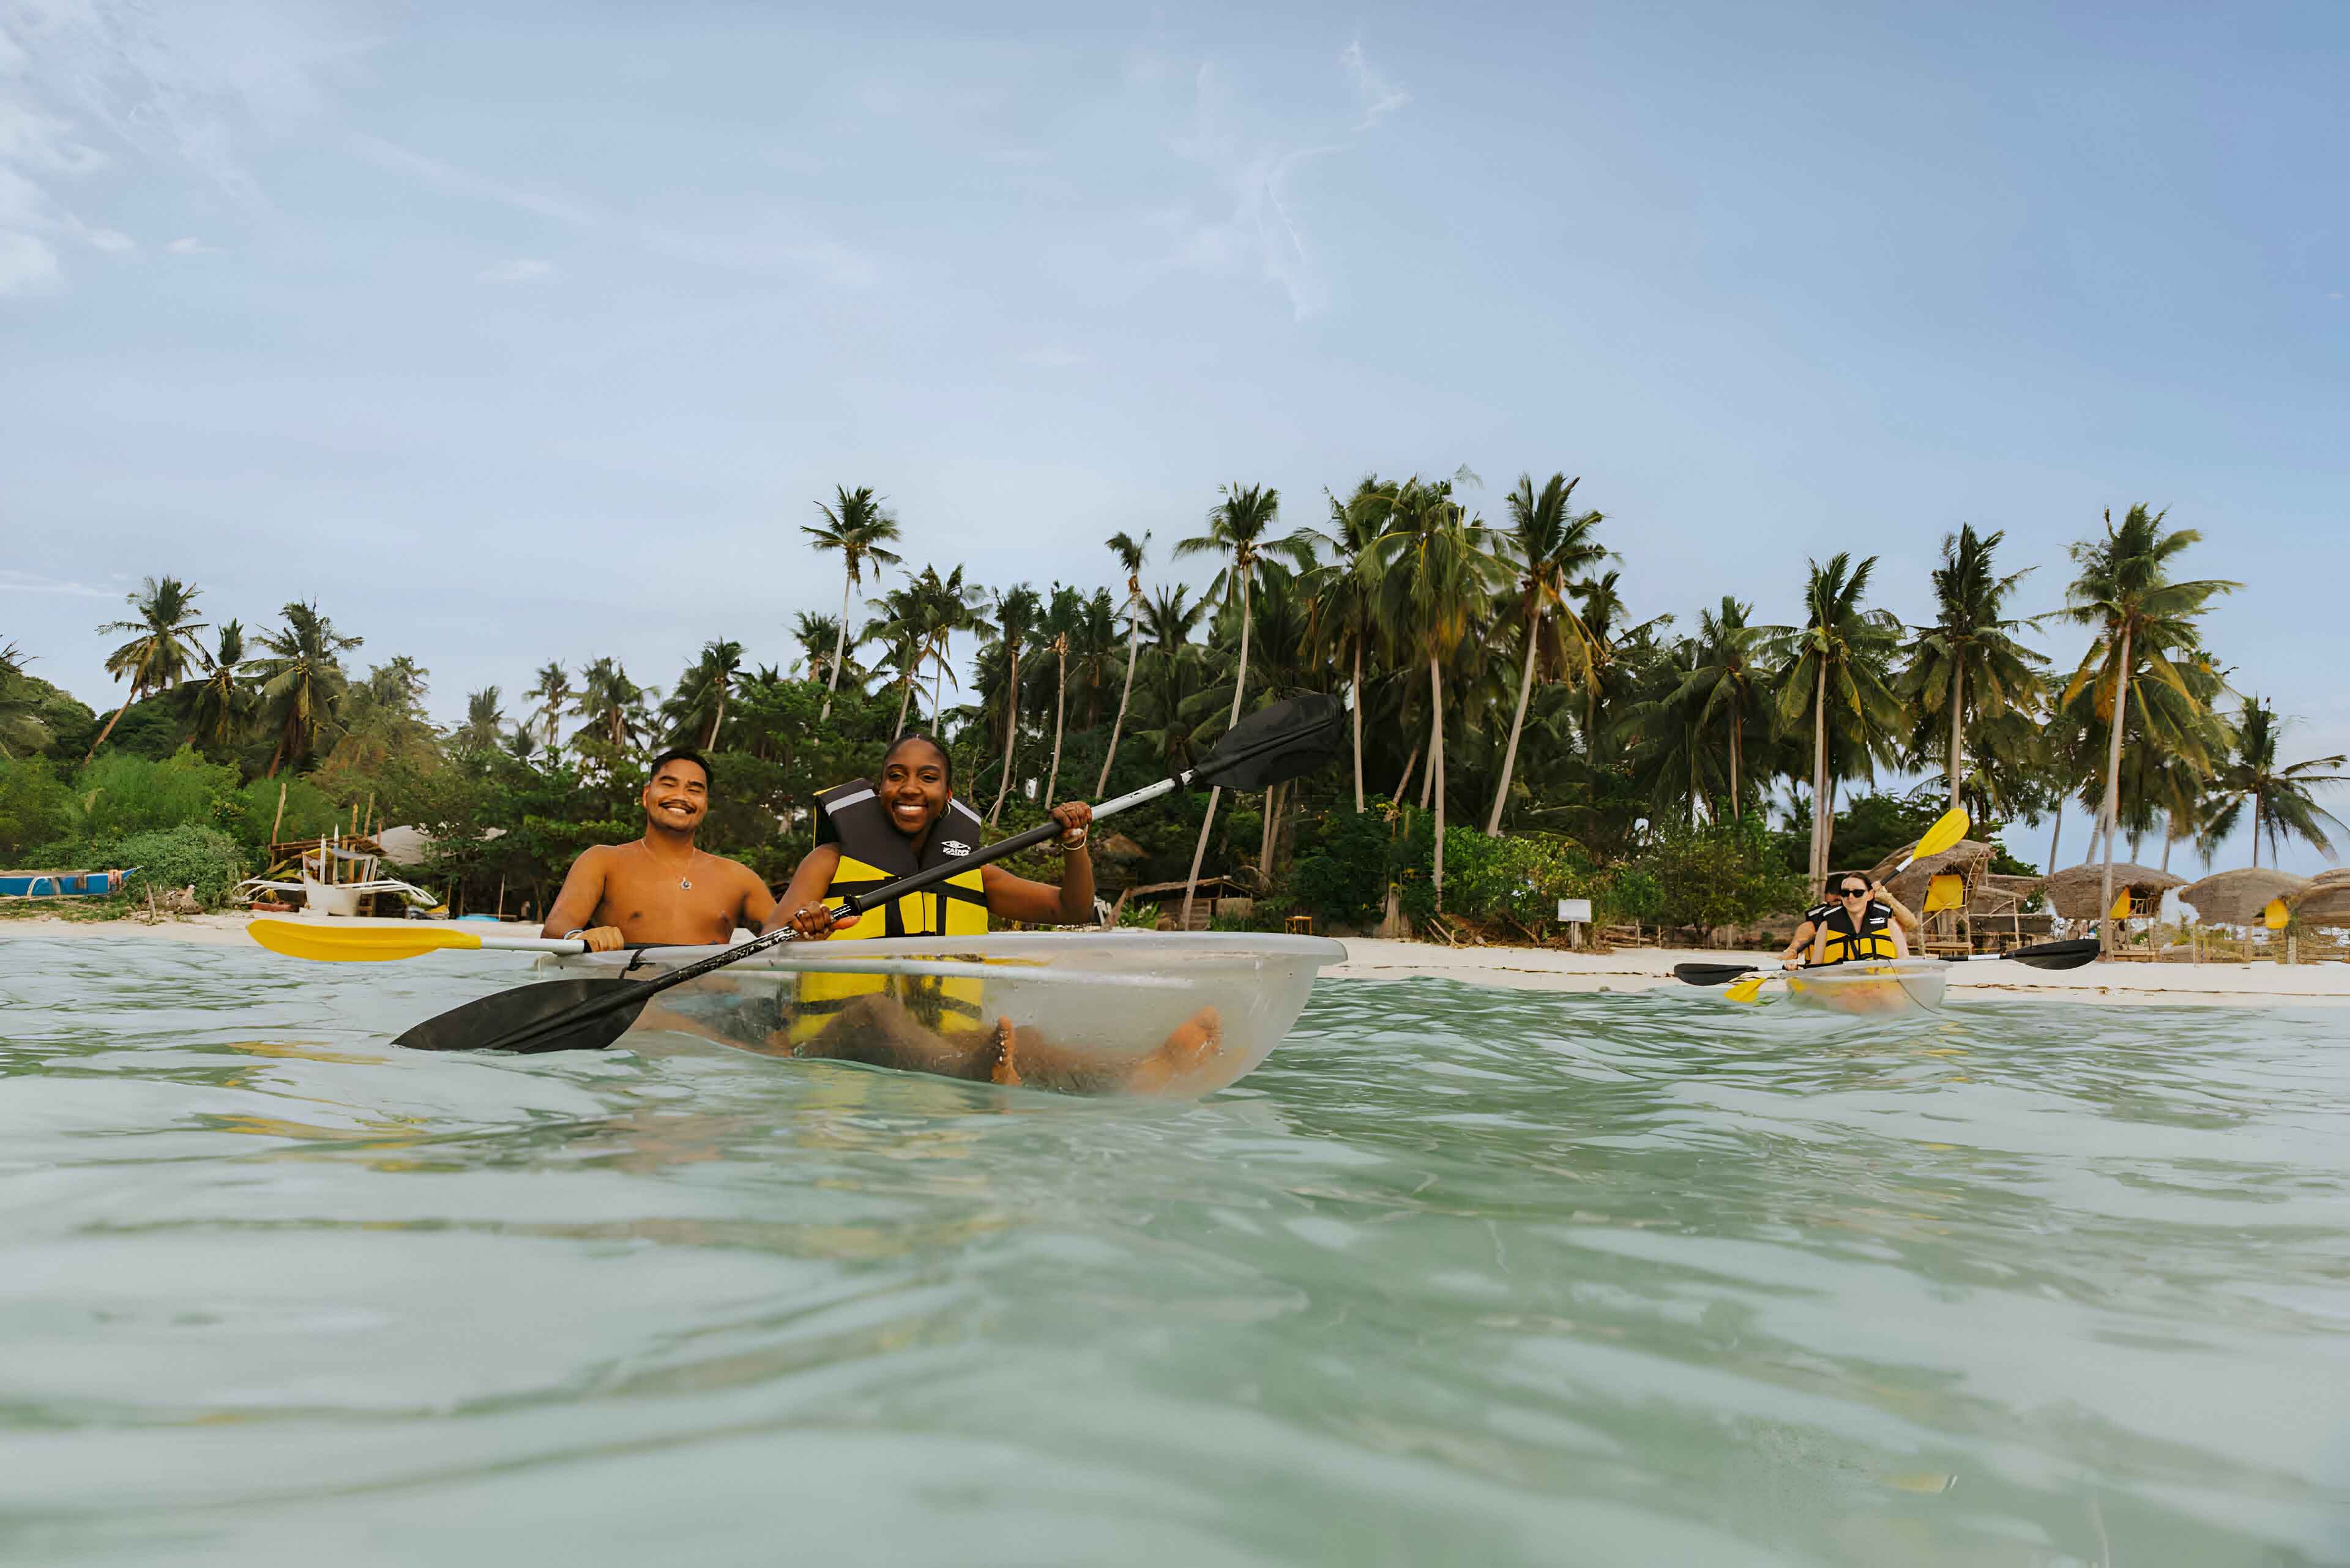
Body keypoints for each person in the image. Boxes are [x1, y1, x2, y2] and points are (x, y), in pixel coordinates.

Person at [764, 733, 1220, 1092]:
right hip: (829, 1042)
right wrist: (805, 924)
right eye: (896, 775)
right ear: (879, 786)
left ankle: (1136, 1073)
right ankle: (979, 1073)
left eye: (927, 778)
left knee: (1029, 1040)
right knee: (876, 1012)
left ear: (947, 792)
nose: (910, 789)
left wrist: (1075, 846)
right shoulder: (829, 859)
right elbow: (772, 929)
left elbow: (1072, 907)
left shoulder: (971, 871)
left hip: (936, 1043)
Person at [541, 749, 774, 949]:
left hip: (710, 999)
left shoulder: (739, 878)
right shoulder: (602, 861)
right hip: (626, 997)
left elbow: (789, 938)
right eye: (669, 785)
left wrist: (808, 922)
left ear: (705, 804)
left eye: (694, 790)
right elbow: (555, 928)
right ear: (646, 795)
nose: (681, 797)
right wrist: (579, 937)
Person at [1778, 875, 1919, 968]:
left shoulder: (1883, 919)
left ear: (1868, 895)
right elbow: (1802, 937)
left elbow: (1911, 924)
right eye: (1845, 895)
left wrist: (1886, 897)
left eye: (1857, 893)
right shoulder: (1822, 920)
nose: (1850, 899)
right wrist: (1792, 952)